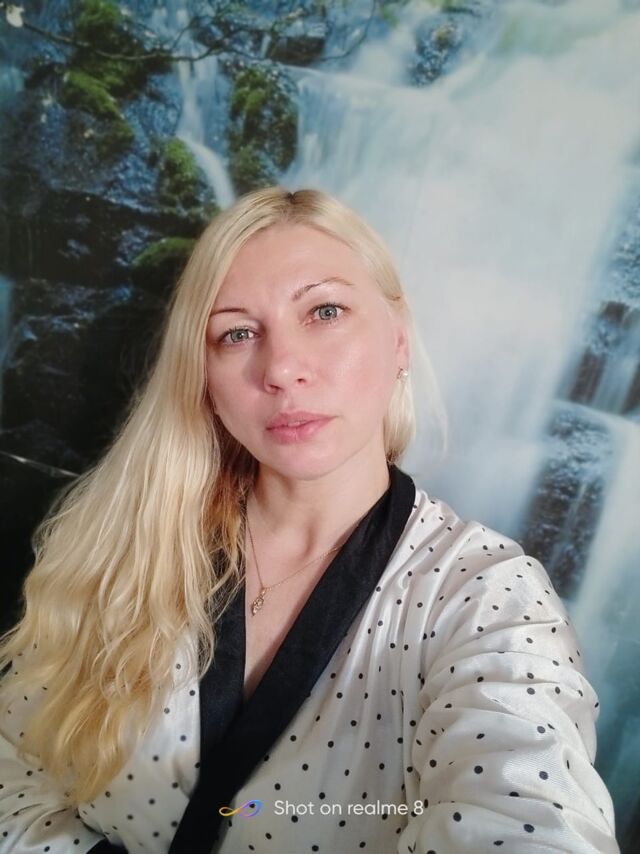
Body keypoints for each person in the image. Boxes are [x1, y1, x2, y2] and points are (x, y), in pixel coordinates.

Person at [0, 186, 618, 854]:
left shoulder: (484, 597)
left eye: (325, 311)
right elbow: (14, 774)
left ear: (399, 338)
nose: (283, 369)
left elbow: (527, 816)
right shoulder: (117, 543)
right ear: (202, 374)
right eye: (237, 333)